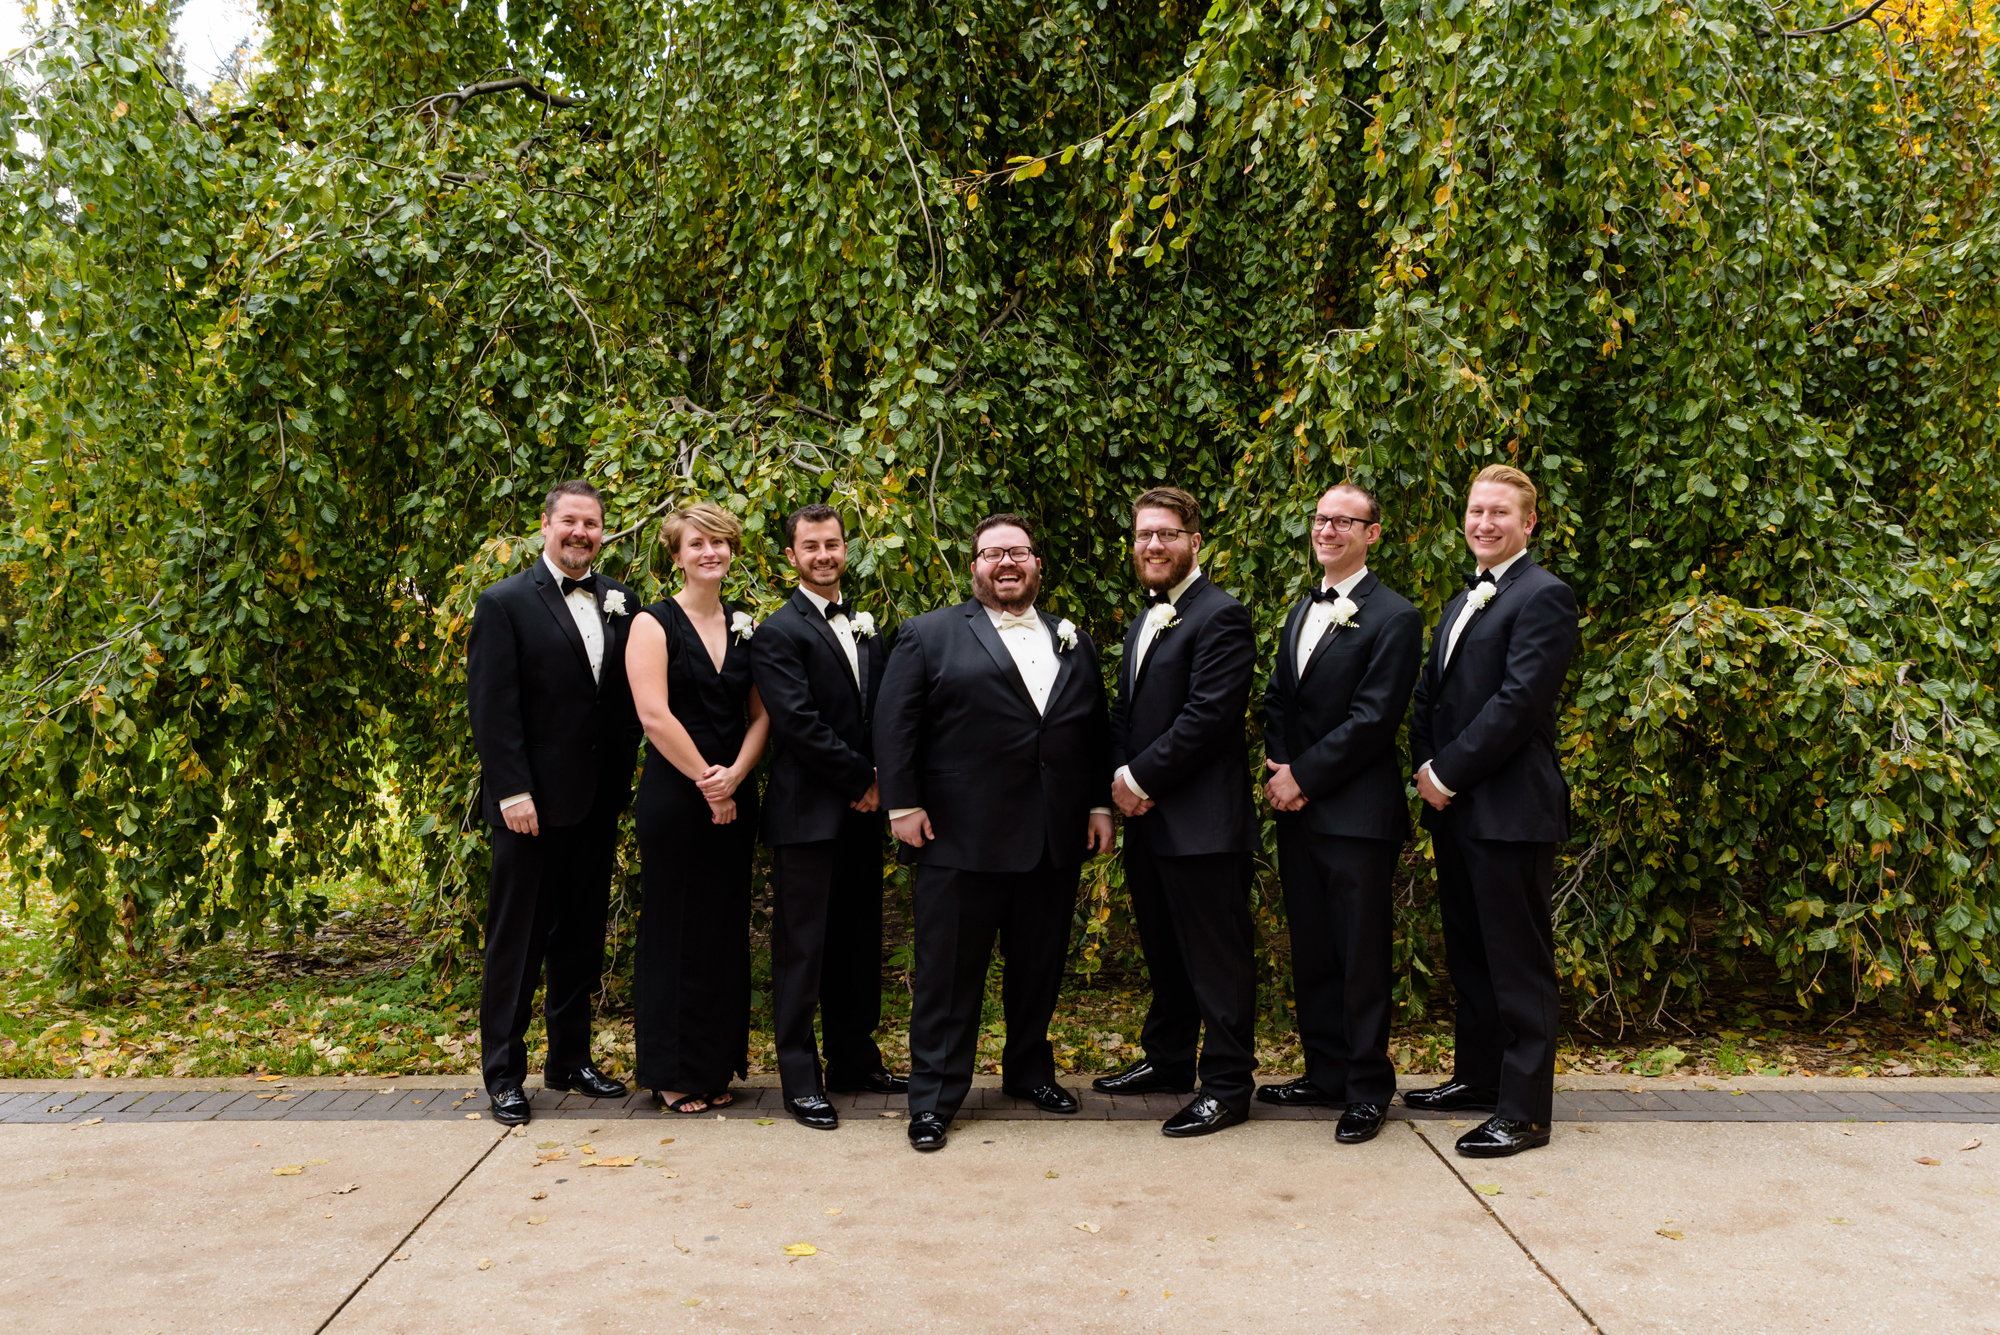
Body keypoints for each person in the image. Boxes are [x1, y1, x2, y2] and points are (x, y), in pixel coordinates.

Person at [874, 513, 1115, 1152]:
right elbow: (894, 725)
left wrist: (1097, 805)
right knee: (948, 977)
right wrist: (902, 806)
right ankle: (931, 1100)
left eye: (1018, 553)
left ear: (1037, 563)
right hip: (958, 838)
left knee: (1038, 969)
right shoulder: (927, 635)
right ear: (974, 564)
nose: (1006, 564)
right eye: (992, 554)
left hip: (1050, 839)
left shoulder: (1074, 639)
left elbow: (1090, 732)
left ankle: (1028, 1073)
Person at [1408, 463, 1579, 1158]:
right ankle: (1478, 1079)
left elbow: (1518, 704)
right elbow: (1432, 695)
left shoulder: (1545, 596)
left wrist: (1446, 769)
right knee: (1471, 956)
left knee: (1518, 962)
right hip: (1456, 809)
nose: (1484, 522)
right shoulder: (1463, 599)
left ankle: (1525, 1111)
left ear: (1529, 523)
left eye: (1500, 513)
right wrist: (1425, 764)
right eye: (1477, 510)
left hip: (1510, 810)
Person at [466, 480, 641, 1126]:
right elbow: (493, 707)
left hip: (595, 805)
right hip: (529, 808)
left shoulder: (623, 600)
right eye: (570, 521)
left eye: (591, 524)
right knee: (517, 943)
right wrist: (512, 789)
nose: (581, 533)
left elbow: (622, 701)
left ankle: (569, 1059)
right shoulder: (505, 602)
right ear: (545, 525)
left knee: (580, 941)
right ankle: (503, 1073)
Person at [1258, 482, 1423, 1145]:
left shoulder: (1395, 616)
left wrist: (1304, 775)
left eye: (1343, 521)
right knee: (1315, 951)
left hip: (1357, 816)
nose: (1326, 530)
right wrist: (1280, 770)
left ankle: (1365, 1087)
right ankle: (1323, 1071)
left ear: (1372, 533)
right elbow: (1278, 699)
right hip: (1298, 811)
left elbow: (1373, 719)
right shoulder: (1302, 608)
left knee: (1360, 955)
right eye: (1321, 518)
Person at [1098, 486, 1260, 1138]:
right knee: (1165, 954)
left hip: (1203, 826)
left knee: (1216, 961)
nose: (1153, 545)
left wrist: (1138, 777)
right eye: (1144, 535)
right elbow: (1128, 712)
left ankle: (1226, 1085)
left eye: (1166, 534)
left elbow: (1208, 718)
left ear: (1196, 540)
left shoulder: (1221, 615)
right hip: (1149, 822)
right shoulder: (1149, 617)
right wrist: (1116, 779)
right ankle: (1167, 1061)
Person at [750, 503, 904, 1132]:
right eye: (810, 546)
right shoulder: (777, 632)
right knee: (802, 949)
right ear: (791, 556)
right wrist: (862, 780)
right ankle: (799, 1076)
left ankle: (853, 1059)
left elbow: (891, 713)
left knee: (858, 942)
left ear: (847, 550)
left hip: (865, 815)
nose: (823, 555)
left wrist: (885, 783)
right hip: (808, 815)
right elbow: (798, 724)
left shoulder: (869, 629)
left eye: (833, 544)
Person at [626, 501, 770, 1114]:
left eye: (720, 542)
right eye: (697, 544)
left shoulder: (746, 625)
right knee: (674, 929)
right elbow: (654, 714)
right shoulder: (651, 624)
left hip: (736, 793)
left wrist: (736, 775)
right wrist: (710, 784)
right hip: (676, 797)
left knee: (721, 931)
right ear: (677, 554)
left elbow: (763, 714)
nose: (710, 552)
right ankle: (672, 1072)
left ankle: (713, 1067)